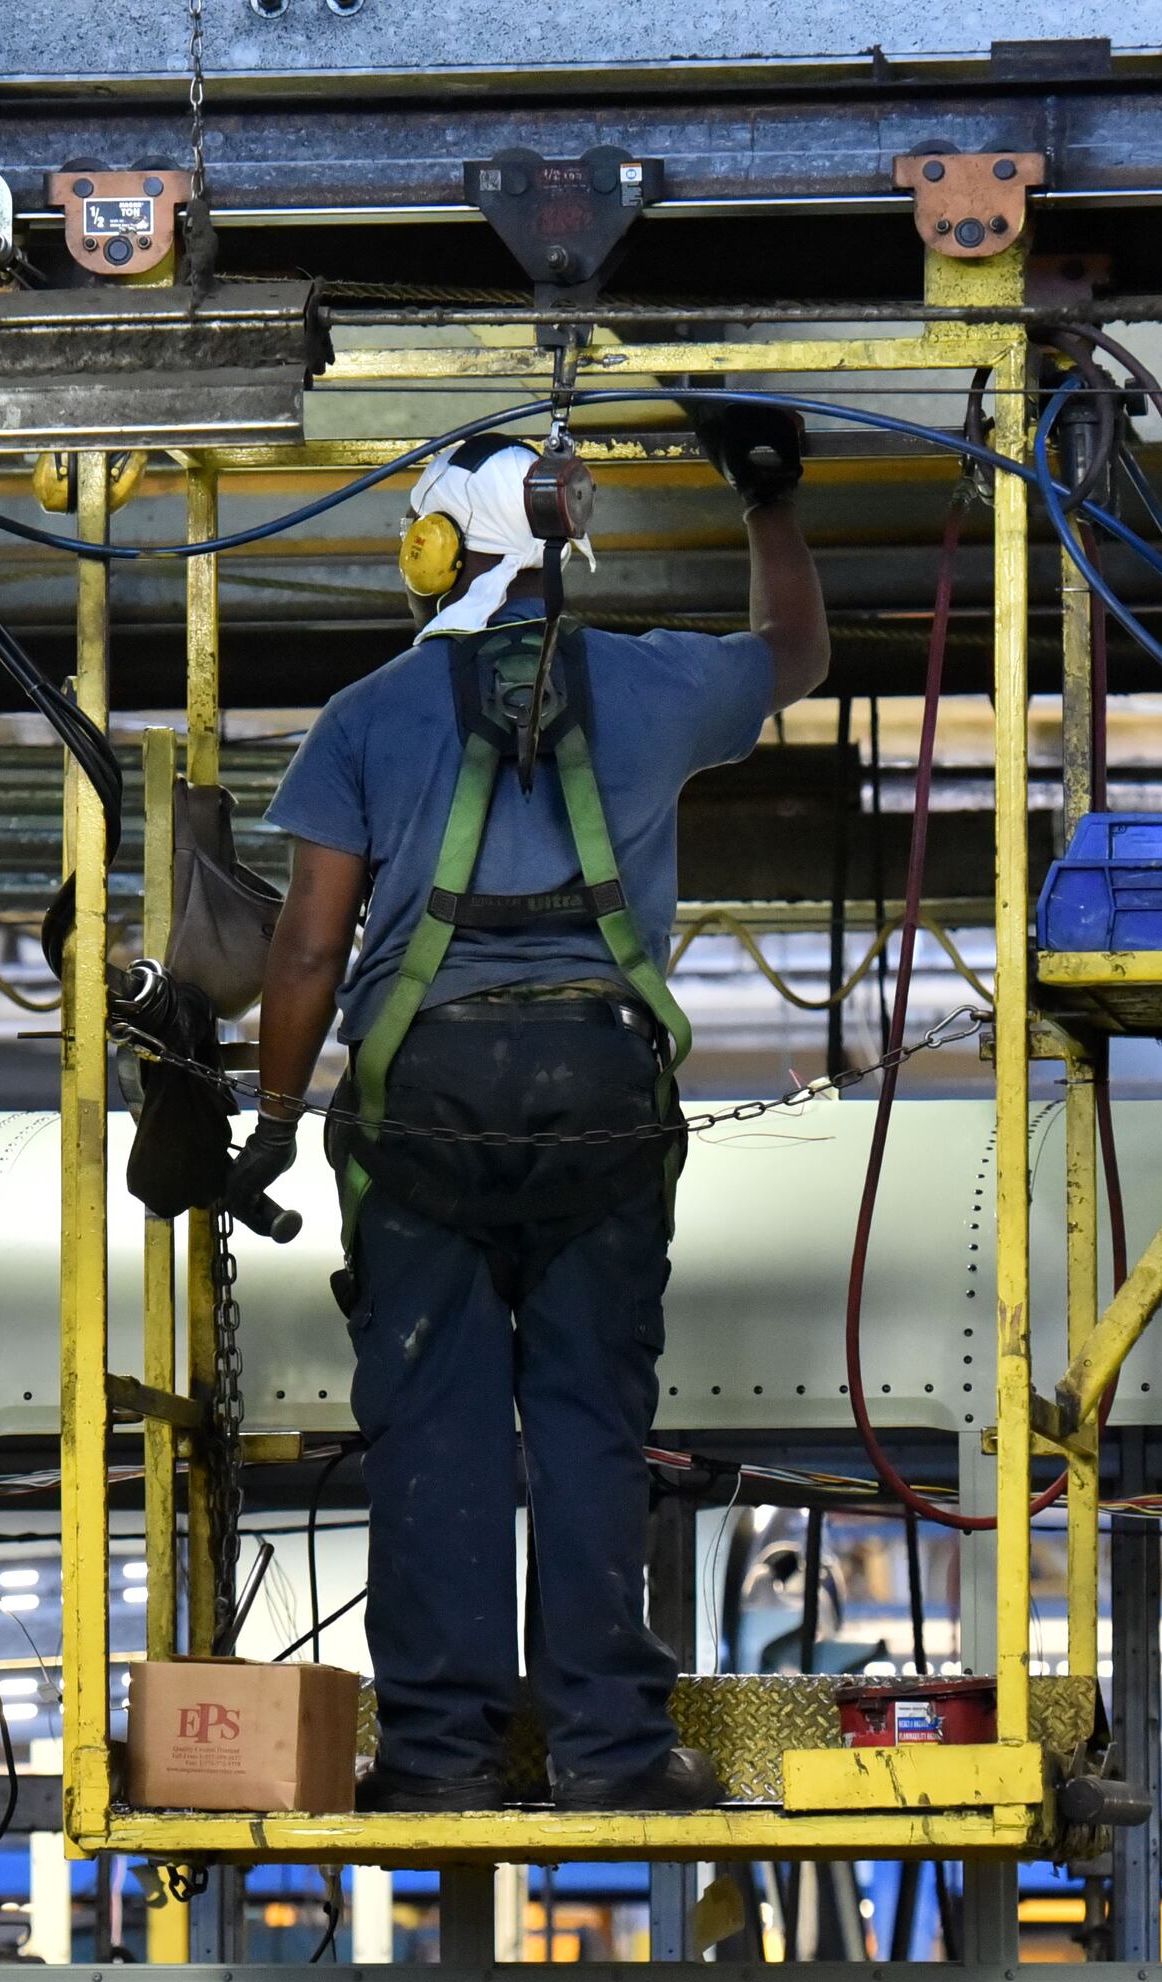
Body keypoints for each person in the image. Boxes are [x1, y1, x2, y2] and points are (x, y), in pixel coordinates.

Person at [220, 411, 825, 1812]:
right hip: (603, 1092)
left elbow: (308, 946)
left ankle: (439, 1759)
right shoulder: (658, 685)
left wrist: (273, 1111)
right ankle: (613, 1753)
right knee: (588, 1419)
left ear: (436, 549)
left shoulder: (367, 715)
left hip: (421, 1097)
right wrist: (769, 500)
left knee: (433, 1419)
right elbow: (797, 654)